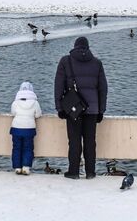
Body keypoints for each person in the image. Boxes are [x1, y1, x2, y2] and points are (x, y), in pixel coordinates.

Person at [54, 36, 108, 179]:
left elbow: (58, 86)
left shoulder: (65, 61)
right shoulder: (97, 63)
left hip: (73, 109)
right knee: (90, 141)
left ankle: (74, 171)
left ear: (75, 46)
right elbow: (103, 89)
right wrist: (101, 110)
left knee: (74, 141)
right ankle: (90, 172)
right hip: (92, 109)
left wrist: (59, 108)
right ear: (88, 47)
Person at [10, 81, 42, 175]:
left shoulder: (15, 102)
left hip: (16, 128)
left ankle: (17, 167)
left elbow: (13, 113)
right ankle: (26, 167)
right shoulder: (35, 103)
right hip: (29, 128)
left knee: (16, 148)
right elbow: (38, 115)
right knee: (28, 148)